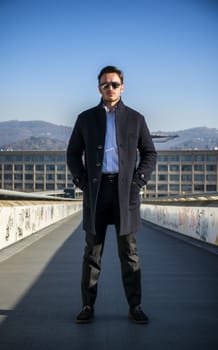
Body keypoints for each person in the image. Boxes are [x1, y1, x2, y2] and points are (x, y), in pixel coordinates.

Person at [67, 65, 157, 324]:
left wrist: (138, 180)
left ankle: (135, 307)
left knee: (129, 252)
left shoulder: (136, 118)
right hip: (96, 192)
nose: (110, 88)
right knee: (92, 253)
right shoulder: (85, 118)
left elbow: (150, 152)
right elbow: (73, 153)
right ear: (99, 87)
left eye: (114, 84)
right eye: (105, 84)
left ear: (122, 86)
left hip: (125, 192)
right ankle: (87, 306)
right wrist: (81, 181)